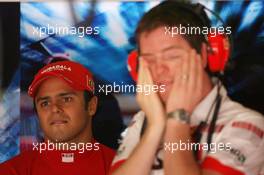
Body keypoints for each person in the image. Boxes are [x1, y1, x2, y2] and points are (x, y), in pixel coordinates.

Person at [110, 1, 264, 175]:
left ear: (206, 55)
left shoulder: (247, 125)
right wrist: (155, 128)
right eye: (149, 60)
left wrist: (177, 121)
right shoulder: (145, 120)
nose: (159, 70)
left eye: (172, 56)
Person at [0, 60, 115, 175]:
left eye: (66, 99)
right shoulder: (11, 171)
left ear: (91, 106)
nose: (54, 108)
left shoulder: (122, 168)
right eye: (45, 103)